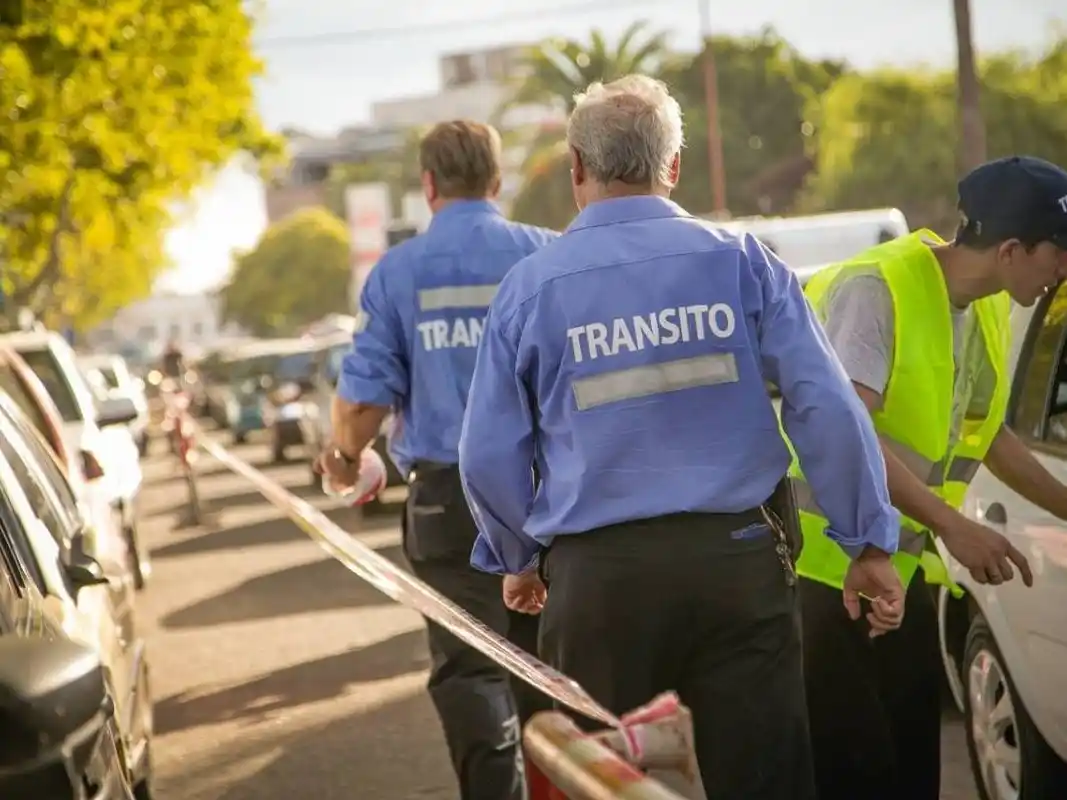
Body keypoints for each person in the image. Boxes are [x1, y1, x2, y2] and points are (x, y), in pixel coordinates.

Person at [457, 74, 905, 800]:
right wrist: (867, 542)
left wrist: (516, 556)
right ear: (673, 168)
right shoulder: (743, 263)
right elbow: (822, 406)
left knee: (607, 782)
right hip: (736, 566)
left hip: (598, 585)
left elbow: (486, 452)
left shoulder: (530, 289)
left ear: (576, 166)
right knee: (764, 780)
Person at [793, 155, 1067, 800]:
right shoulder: (876, 289)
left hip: (898, 569)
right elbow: (848, 432)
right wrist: (955, 527)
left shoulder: (988, 308)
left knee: (912, 772)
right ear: (1010, 250)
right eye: (1057, 253)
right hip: (824, 576)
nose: (1062, 270)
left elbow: (989, 436)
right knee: (854, 776)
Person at [315, 120, 558, 800]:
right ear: (497, 180)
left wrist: (343, 457)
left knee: (471, 667)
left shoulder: (398, 274)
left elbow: (362, 403)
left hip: (448, 504)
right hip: (553, 495)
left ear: (426, 186)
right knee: (554, 664)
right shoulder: (545, 256)